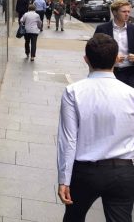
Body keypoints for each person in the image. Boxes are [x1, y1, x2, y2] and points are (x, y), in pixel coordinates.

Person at [57, 33, 134, 222]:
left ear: (86, 59)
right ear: (116, 59)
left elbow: (68, 140)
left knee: (74, 218)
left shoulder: (73, 92)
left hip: (85, 172)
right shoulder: (131, 94)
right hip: (123, 171)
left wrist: (64, 179)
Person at [94, 0, 134, 87]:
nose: (127, 14)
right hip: (110, 72)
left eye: (128, 11)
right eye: (124, 11)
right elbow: (94, 51)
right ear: (115, 12)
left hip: (130, 73)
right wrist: (111, 58)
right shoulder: (102, 29)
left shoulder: (132, 29)